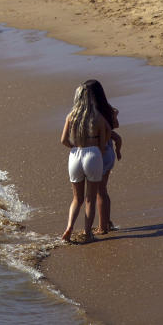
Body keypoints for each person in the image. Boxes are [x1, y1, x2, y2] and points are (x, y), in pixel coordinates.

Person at [60, 81, 112, 243]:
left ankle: (69, 226)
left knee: (77, 198)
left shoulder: (71, 116)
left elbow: (63, 140)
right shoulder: (98, 117)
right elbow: (104, 142)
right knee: (90, 198)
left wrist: (74, 147)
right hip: (93, 154)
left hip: (75, 155)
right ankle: (88, 232)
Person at [85, 79, 123, 235]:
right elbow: (116, 132)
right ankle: (106, 221)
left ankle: (103, 226)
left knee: (100, 192)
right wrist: (118, 151)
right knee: (103, 190)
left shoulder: (90, 114)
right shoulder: (107, 110)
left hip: (98, 153)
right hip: (109, 152)